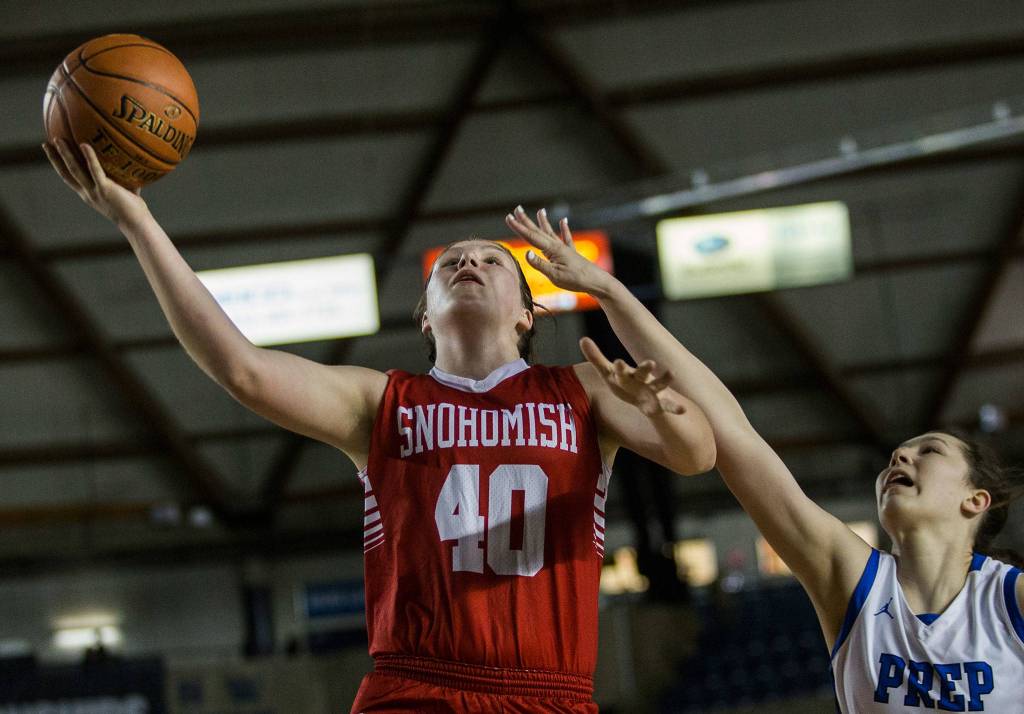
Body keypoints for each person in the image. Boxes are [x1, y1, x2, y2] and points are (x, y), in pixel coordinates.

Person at [43, 140, 716, 712]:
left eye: (490, 260)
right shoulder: (380, 403)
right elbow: (240, 369)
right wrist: (138, 223)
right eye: (453, 261)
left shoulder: (586, 388)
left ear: (526, 315)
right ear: (425, 316)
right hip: (414, 690)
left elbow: (698, 455)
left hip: (549, 693)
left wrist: (661, 408)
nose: (469, 264)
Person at [532, 231, 1024, 711]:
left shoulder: (1009, 600)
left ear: (975, 500)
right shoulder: (853, 578)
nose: (901, 457)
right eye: (899, 452)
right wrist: (610, 291)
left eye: (929, 452)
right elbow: (731, 432)